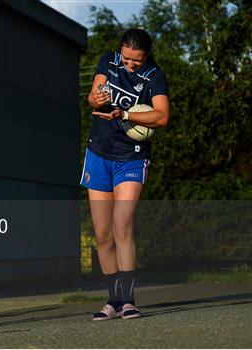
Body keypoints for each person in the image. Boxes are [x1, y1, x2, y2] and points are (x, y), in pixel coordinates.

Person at [81, 28, 169, 320]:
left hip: (131, 158)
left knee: (122, 224)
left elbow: (162, 116)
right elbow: (92, 99)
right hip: (98, 155)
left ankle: (129, 300)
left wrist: (126, 114)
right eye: (127, 59)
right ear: (120, 51)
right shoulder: (108, 61)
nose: (131, 65)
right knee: (103, 234)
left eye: (137, 61)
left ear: (146, 57)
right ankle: (113, 300)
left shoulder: (155, 77)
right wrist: (97, 97)